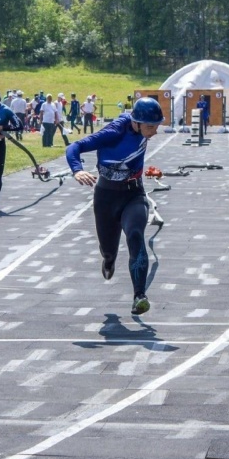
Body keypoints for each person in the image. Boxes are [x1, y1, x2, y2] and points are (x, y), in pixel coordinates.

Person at [65, 97, 164, 315]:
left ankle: (139, 295)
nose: (154, 132)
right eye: (150, 127)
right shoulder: (114, 132)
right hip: (106, 197)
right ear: (136, 122)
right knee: (108, 250)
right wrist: (77, 170)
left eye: (157, 127)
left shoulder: (140, 127)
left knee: (136, 234)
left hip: (133, 194)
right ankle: (108, 259)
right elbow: (75, 146)